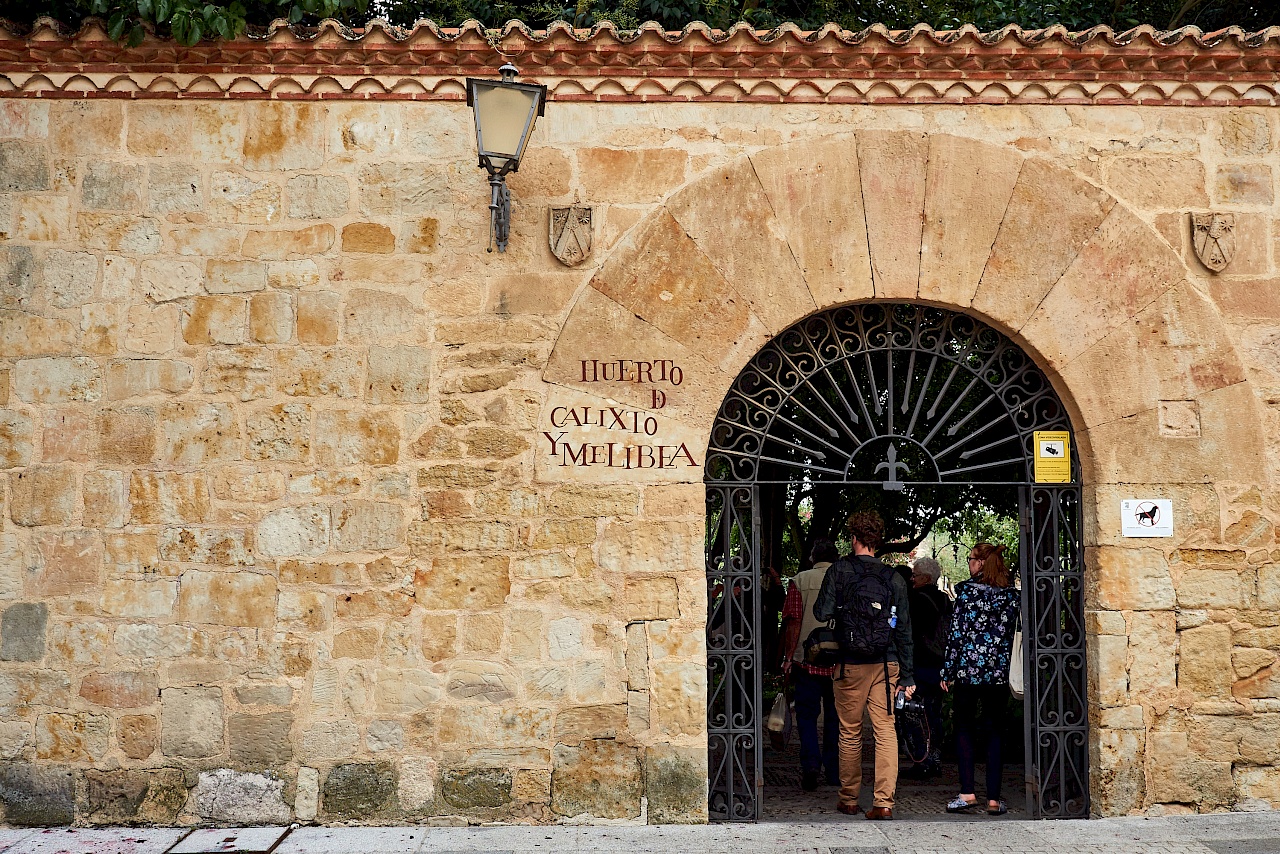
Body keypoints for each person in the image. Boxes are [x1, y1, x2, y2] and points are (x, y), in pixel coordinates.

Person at [814, 511, 915, 820]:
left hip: (850, 664)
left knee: (850, 732)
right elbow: (904, 629)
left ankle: (848, 799)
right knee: (886, 732)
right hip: (887, 665)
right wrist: (908, 676)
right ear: (878, 541)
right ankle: (884, 803)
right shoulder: (894, 578)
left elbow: (821, 612)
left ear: (854, 538)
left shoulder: (839, 571)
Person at [940, 543, 1020, 817]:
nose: (969, 563)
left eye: (972, 559)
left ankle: (967, 792)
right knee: (994, 731)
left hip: (967, 670)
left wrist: (947, 671)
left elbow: (956, 634)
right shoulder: (1011, 597)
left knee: (964, 728)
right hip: (997, 672)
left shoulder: (966, 593)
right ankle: (994, 799)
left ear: (982, 563)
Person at [780, 538, 841, 791]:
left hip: (807, 661)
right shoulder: (844, 579)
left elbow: (793, 621)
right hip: (839, 662)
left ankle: (810, 765)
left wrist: (788, 657)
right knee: (836, 718)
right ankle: (834, 770)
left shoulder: (800, 581)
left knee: (806, 716)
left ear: (812, 557)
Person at [903, 556, 951, 779]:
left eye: (915, 575)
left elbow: (908, 633)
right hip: (940, 664)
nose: (911, 579)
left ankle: (921, 759)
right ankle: (935, 758)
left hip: (920, 662)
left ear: (926, 577)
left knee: (914, 713)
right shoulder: (944, 600)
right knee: (934, 712)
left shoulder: (914, 599)